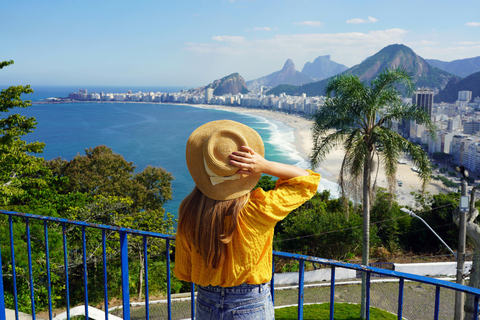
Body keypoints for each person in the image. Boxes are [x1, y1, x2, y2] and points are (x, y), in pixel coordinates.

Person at [174, 120, 320, 319]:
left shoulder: (189, 209)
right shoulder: (258, 209)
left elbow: (186, 269)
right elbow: (307, 181)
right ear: (247, 169)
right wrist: (266, 165)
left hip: (206, 300)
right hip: (250, 302)